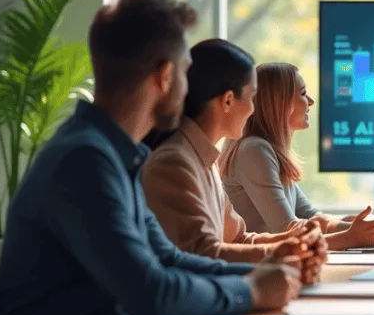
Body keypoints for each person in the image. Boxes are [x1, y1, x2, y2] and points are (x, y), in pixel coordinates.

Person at [0, 0, 309, 315]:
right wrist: (251, 290)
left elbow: (169, 259)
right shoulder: (86, 162)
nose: (188, 85)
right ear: (164, 77)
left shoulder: (110, 153)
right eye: (184, 72)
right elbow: (150, 291)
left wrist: (268, 273)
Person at [141, 39, 329, 266]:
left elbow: (239, 238)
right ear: (228, 101)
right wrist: (278, 255)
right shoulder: (175, 163)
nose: (253, 109)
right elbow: (203, 254)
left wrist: (288, 243)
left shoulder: (204, 159)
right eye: (251, 98)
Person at [220, 62, 374, 250]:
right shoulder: (254, 149)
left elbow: (310, 216)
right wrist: (351, 236)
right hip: (258, 266)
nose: (311, 101)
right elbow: (288, 228)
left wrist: (354, 227)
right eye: (303, 94)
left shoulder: (268, 150)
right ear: (280, 103)